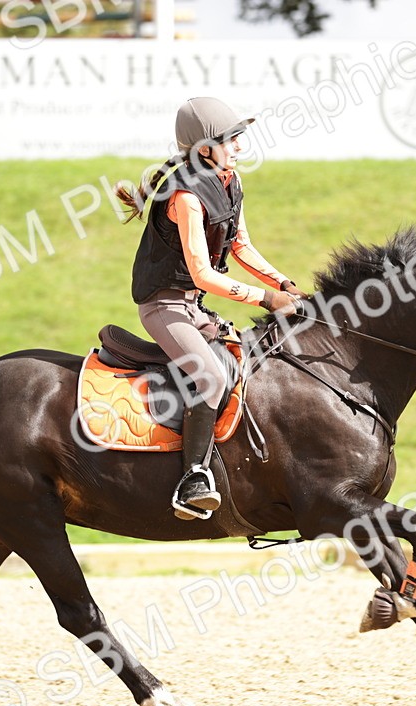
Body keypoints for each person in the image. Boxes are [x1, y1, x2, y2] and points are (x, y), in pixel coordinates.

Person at [115, 97, 306, 520]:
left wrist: (283, 282)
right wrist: (265, 299)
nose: (239, 146)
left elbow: (241, 246)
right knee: (210, 379)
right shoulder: (185, 196)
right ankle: (192, 480)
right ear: (205, 148)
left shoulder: (230, 181)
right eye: (231, 139)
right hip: (164, 307)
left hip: (193, 308)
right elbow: (202, 274)